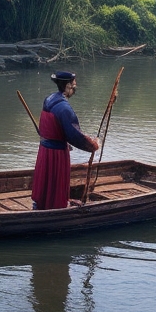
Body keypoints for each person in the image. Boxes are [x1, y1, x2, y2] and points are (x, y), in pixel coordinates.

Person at [31, 71, 99, 210]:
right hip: (56, 153)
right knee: (56, 181)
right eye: (74, 85)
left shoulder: (49, 99)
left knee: (46, 180)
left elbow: (52, 127)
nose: (75, 88)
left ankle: (41, 203)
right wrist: (93, 145)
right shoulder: (64, 108)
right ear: (67, 86)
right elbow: (75, 135)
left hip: (45, 150)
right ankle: (55, 207)